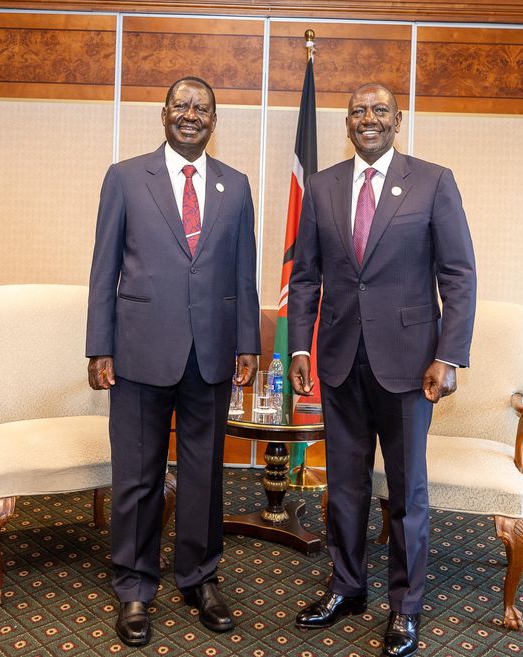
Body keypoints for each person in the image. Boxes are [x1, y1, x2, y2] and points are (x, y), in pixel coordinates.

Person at [288, 83, 476, 657]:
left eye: (379, 111)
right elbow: (305, 278)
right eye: (357, 111)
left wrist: (448, 355)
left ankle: (405, 605)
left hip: (410, 366)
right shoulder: (321, 186)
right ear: (347, 122)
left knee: (405, 491)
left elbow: (458, 276)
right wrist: (300, 349)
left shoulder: (433, 181)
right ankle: (347, 586)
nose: (367, 119)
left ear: (398, 119)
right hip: (341, 361)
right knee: (344, 488)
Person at [86, 76, 260, 647]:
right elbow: (103, 269)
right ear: (164, 113)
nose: (191, 114)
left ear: (214, 121)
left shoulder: (235, 187)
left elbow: (243, 273)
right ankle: (135, 586)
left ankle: (199, 578)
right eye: (181, 105)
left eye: (202, 108)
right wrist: (100, 346)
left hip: (210, 354)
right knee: (138, 476)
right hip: (138, 350)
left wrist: (247, 343)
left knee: (205, 474)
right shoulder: (126, 177)